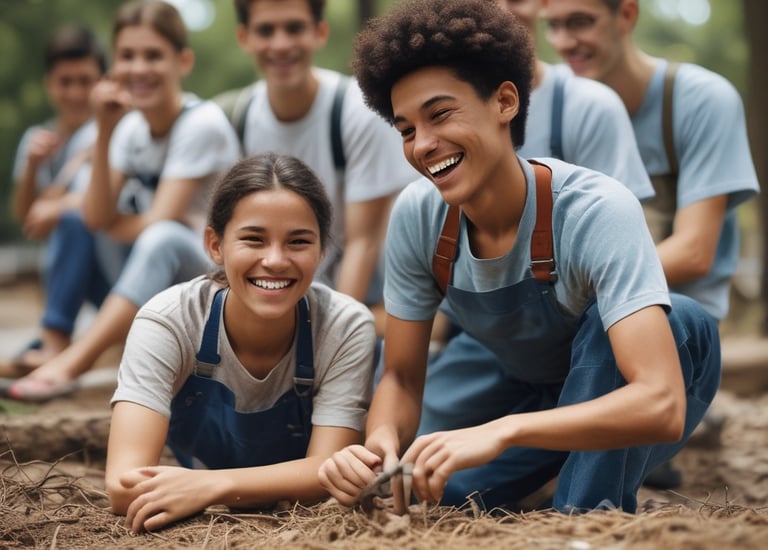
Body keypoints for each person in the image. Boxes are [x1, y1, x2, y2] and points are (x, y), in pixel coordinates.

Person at [317, 0, 721, 514]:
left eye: (440, 114)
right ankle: (558, 469)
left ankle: (583, 508)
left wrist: (503, 432)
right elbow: (399, 376)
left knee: (656, 322)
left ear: (505, 101)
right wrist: (381, 443)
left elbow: (661, 403)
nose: (424, 144)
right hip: (519, 380)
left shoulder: (595, 209)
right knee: (438, 490)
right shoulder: (418, 217)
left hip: (624, 374)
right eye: (406, 129)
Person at [542, 0, 760, 488]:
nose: (563, 42)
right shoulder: (557, 104)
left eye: (580, 22)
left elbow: (695, 249)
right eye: (552, 25)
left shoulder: (699, 99)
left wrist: (567, 292)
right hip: (568, 318)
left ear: (626, 15)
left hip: (661, 311)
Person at [104, 152, 375, 533]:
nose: (276, 261)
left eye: (298, 241)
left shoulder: (345, 327)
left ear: (323, 250)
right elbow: (122, 486)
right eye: (254, 239)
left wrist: (214, 486)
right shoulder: (168, 321)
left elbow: (327, 470)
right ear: (215, 245)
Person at [2, 0, 240, 402]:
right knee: (76, 221)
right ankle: (54, 341)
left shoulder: (201, 123)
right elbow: (94, 216)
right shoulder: (129, 128)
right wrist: (106, 131)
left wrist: (111, 220)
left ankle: (73, 363)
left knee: (163, 235)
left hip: (209, 281)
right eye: (127, 56)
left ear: (182, 61)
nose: (138, 68)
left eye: (153, 55)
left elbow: (156, 222)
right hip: (147, 273)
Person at [228, 0, 418, 335]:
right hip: (294, 267)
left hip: (369, 278)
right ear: (244, 38)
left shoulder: (355, 109)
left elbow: (364, 241)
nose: (281, 44)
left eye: (295, 28)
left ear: (320, 32)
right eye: (266, 30)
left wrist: (329, 335)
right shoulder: (240, 117)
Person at [2, 26, 106, 374]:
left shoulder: (111, 130)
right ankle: (53, 339)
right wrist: (32, 167)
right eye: (65, 82)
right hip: (72, 270)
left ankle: (54, 340)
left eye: (85, 81)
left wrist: (60, 206)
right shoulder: (38, 139)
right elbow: (26, 217)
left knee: (74, 221)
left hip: (112, 263)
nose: (75, 92)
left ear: (101, 82)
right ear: (50, 83)